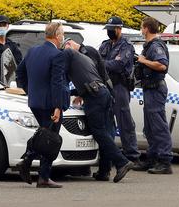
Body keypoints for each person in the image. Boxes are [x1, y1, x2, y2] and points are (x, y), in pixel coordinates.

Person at [61, 40, 134, 183]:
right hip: (102, 92)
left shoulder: (77, 53)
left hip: (95, 96)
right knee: (105, 133)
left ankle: (121, 162)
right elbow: (89, 78)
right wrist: (75, 92)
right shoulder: (83, 57)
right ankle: (104, 171)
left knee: (99, 132)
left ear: (68, 45)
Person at [15, 22, 69, 188]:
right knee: (50, 140)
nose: (63, 37)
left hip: (35, 101)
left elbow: (19, 73)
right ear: (56, 35)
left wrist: (29, 90)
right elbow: (57, 83)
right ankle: (43, 175)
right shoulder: (57, 55)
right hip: (50, 104)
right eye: (62, 34)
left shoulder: (33, 51)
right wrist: (58, 107)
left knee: (43, 134)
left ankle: (28, 159)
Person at [132, 17, 173, 174]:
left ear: (147, 29)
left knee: (158, 126)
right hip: (149, 89)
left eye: (142, 27)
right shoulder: (149, 45)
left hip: (156, 89)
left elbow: (162, 65)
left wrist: (143, 61)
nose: (141, 30)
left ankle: (165, 161)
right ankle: (152, 158)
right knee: (149, 128)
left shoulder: (156, 46)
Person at [98, 16, 140, 163]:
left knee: (125, 122)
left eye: (111, 29)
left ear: (119, 29)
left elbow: (119, 65)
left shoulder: (126, 46)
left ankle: (132, 156)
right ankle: (108, 157)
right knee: (106, 122)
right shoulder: (105, 45)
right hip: (106, 87)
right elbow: (97, 62)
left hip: (119, 87)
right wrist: (107, 63)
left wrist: (103, 64)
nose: (109, 32)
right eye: (108, 29)